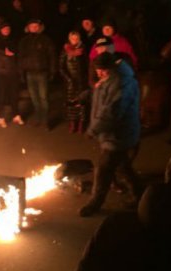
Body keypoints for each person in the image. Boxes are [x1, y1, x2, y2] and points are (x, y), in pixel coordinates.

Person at [79, 53, 142, 217]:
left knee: (103, 170)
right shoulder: (110, 79)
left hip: (118, 134)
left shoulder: (121, 83)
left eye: (102, 70)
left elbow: (111, 112)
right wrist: (87, 95)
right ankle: (140, 195)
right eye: (97, 70)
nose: (99, 73)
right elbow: (101, 97)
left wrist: (93, 130)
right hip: (114, 134)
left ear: (111, 68)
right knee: (122, 167)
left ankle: (95, 203)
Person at [19, 19, 56, 128]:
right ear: (28, 27)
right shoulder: (24, 41)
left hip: (42, 73)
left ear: (39, 27)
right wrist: (21, 73)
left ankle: (45, 120)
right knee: (34, 98)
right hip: (30, 74)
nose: (34, 28)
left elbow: (52, 56)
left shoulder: (46, 40)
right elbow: (21, 58)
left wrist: (53, 70)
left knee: (43, 97)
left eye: (36, 26)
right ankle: (39, 118)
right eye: (32, 26)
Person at [0, 22, 23, 128]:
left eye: (8, 28)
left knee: (14, 94)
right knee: (1, 95)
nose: (6, 30)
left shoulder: (12, 40)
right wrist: (5, 53)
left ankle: (16, 115)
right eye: (4, 29)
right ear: (0, 30)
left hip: (13, 72)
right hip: (1, 72)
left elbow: (17, 52)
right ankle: (1, 117)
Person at [59, 30, 89, 134]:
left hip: (81, 81)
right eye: (72, 38)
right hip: (70, 82)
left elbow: (87, 64)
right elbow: (61, 67)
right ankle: (73, 123)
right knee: (71, 103)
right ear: (69, 39)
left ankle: (81, 123)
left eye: (76, 38)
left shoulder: (83, 49)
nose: (74, 40)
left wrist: (86, 78)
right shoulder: (65, 50)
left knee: (81, 102)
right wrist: (68, 79)